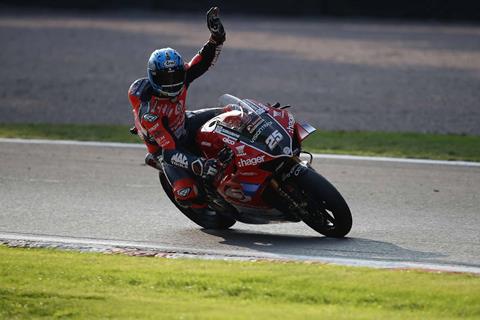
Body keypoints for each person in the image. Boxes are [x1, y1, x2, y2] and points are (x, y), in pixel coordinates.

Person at [128, 7, 226, 209]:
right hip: (166, 150)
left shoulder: (182, 79)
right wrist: (198, 165)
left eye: (176, 75)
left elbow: (202, 62)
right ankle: (213, 204)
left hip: (185, 123)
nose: (173, 82)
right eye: (166, 78)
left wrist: (216, 37)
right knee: (186, 193)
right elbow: (170, 151)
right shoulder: (150, 113)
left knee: (232, 114)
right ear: (153, 76)